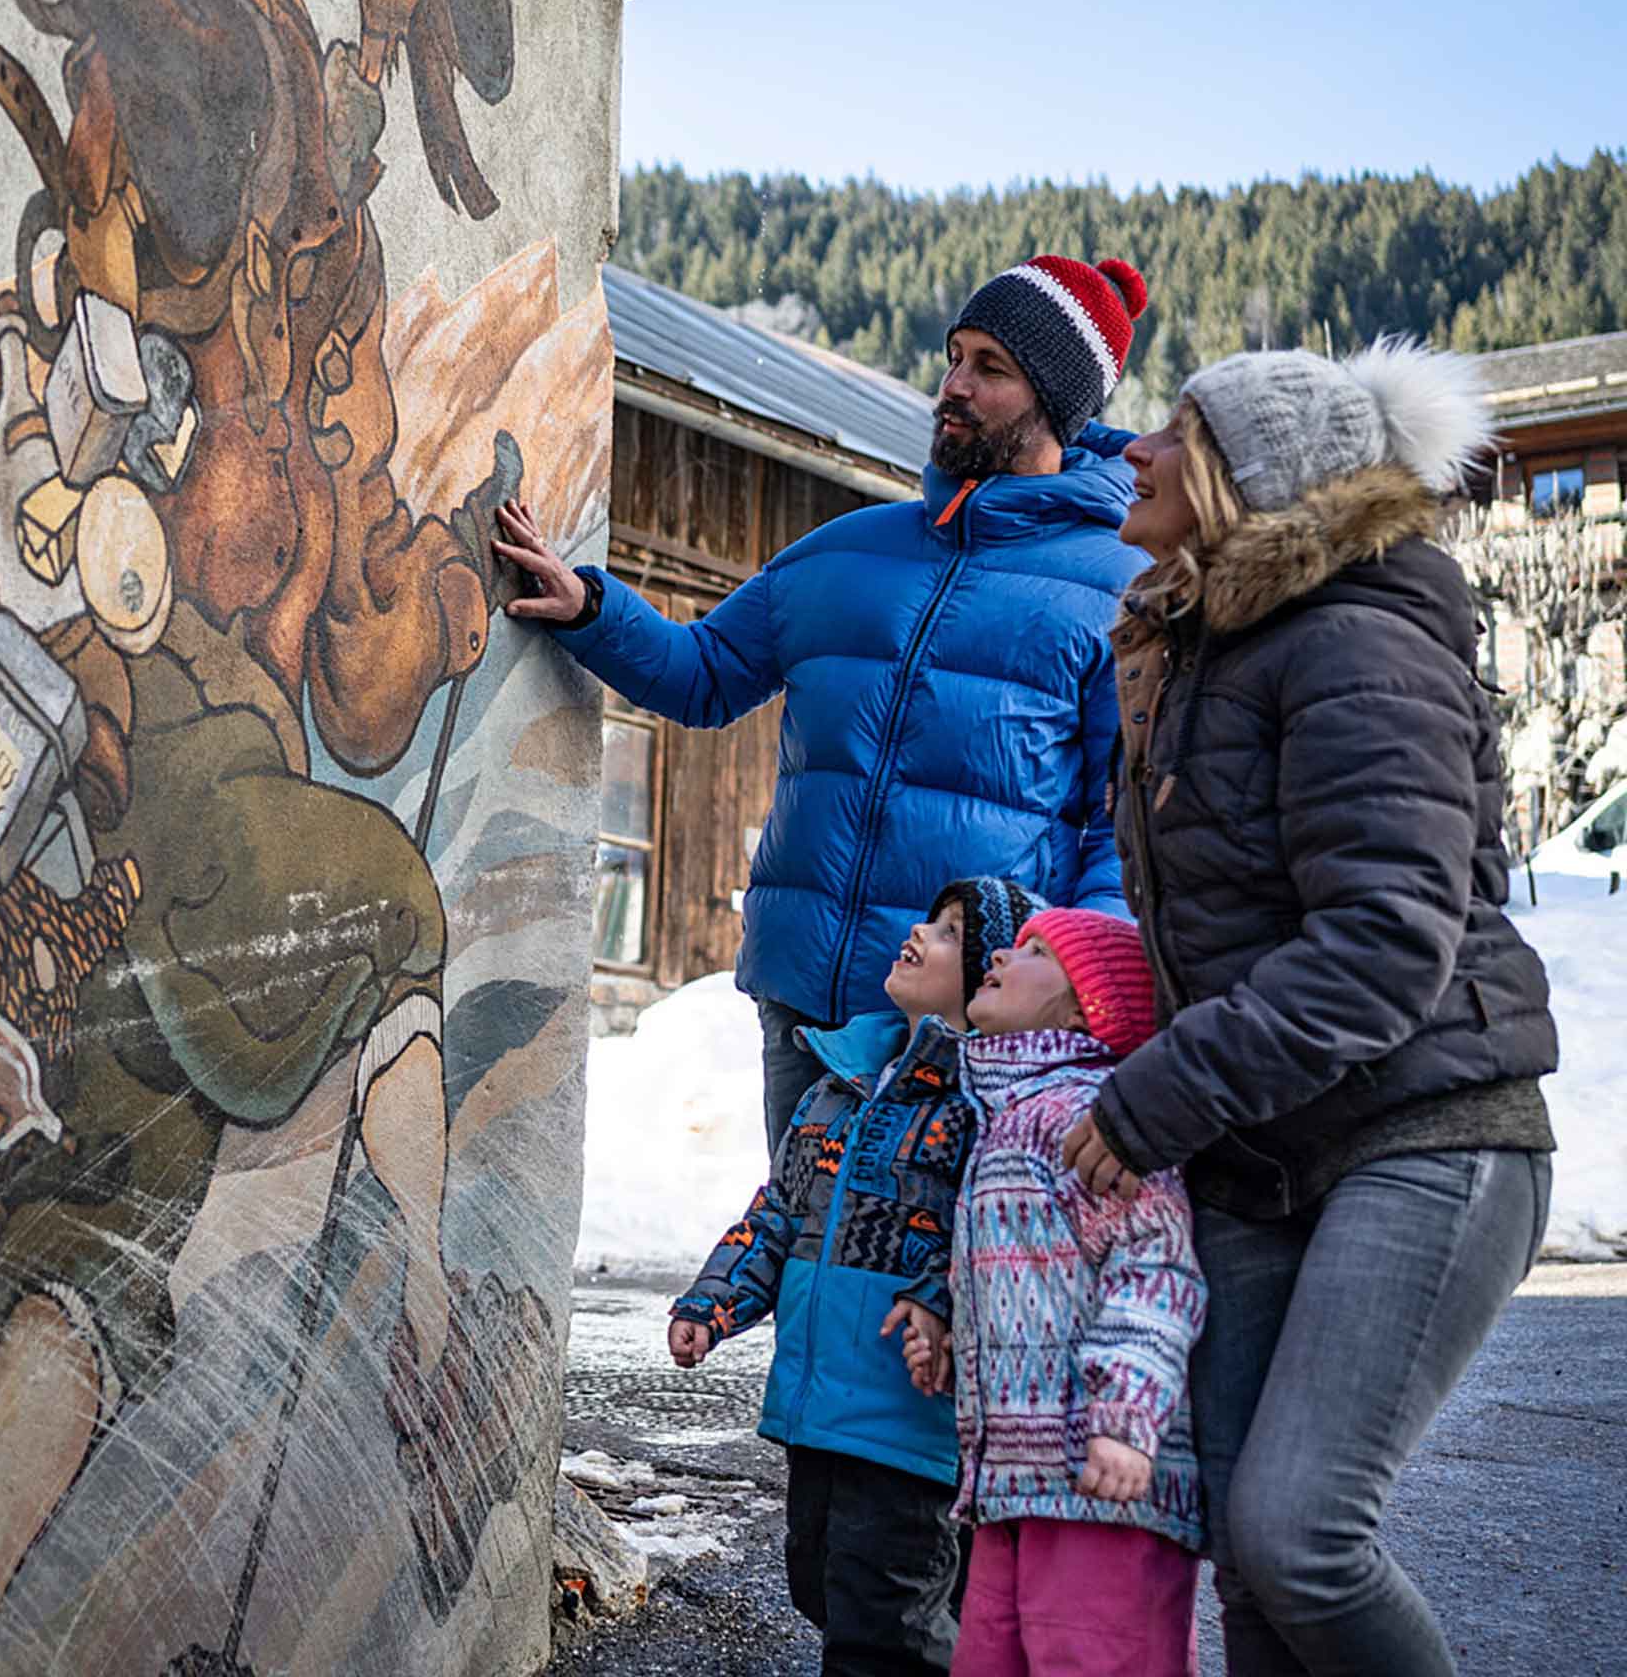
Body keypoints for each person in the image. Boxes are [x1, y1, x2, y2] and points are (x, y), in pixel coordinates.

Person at [1060, 340, 1558, 1675]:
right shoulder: (1208, 640)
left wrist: (1159, 1096)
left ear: (1247, 474)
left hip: (1428, 1129)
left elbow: (1389, 942)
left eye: (1174, 431)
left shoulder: (1350, 635)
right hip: (1265, 1144)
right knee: (1248, 1553)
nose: (1138, 450)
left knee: (1299, 1535)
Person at [496, 256, 1151, 1156]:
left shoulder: (1124, 591)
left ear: (1058, 403)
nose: (954, 386)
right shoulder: (846, 552)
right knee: (806, 1270)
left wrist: (1074, 990)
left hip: (973, 1023)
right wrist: (592, 610)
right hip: (804, 1001)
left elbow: (1123, 830)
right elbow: (705, 673)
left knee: (941, 1286)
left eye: (991, 368)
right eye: (955, 355)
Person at [668, 877, 1046, 1676]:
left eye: (949, 932)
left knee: (882, 1629)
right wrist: (716, 1299)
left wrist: (940, 1301)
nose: (918, 932)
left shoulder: (984, 1108)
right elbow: (778, 1214)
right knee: (821, 1587)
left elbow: (998, 1239)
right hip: (819, 1411)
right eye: (930, 917)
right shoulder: (837, 1088)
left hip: (910, 1423)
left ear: (990, 974)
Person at [908, 907, 1206, 1677]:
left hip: (1100, 1478)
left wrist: (1127, 1418)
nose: (1004, 951)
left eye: (1040, 951)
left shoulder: (1088, 1115)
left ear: (1089, 1007)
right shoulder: (1004, 1118)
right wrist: (954, 1343)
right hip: (1013, 1481)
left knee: (1094, 1659)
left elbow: (1157, 1268)